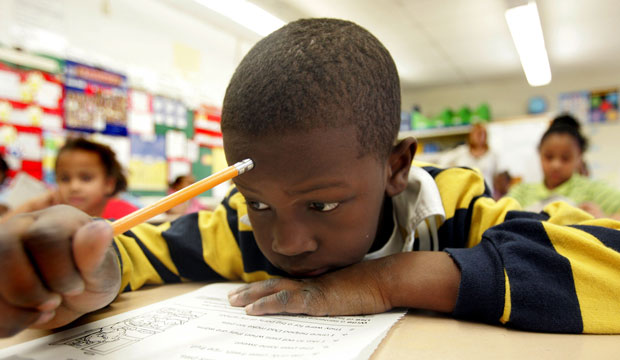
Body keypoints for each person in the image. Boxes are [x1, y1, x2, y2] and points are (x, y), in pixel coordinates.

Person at [1, 19, 620, 339]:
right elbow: (140, 249)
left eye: (322, 206)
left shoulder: (453, 208)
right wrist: (87, 271)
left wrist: (384, 281)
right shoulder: (243, 231)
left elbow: (610, 261)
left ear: (395, 167)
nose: (286, 241)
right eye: (259, 204)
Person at [508, 114, 620, 219]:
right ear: (539, 154)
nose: (556, 165)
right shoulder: (522, 192)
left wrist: (603, 220)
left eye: (565, 158)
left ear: (579, 157)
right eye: (549, 157)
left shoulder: (593, 190)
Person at [0, 138, 139, 221]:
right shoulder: (49, 217)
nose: (74, 187)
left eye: (86, 178)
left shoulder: (126, 215)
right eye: (65, 179)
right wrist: (31, 206)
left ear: (109, 184)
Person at [434, 123, 498, 193]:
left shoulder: (492, 155)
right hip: (464, 193)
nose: (479, 137)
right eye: (476, 133)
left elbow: (497, 177)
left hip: (486, 194)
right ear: (470, 135)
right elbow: (442, 160)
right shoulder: (461, 151)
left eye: (481, 134)